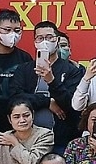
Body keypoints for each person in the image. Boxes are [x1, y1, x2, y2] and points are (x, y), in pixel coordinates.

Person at [9, 20, 82, 149]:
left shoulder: (72, 71)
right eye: (40, 38)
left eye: (49, 37)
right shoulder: (24, 69)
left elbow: (72, 104)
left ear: (57, 40)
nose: (45, 41)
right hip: (27, 140)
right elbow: (16, 98)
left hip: (60, 140)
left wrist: (52, 81)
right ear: (35, 42)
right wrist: (47, 102)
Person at [0, 8, 33, 152]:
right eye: (7, 30)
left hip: (16, 125)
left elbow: (29, 92)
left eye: (17, 30)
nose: (12, 34)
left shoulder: (25, 58)